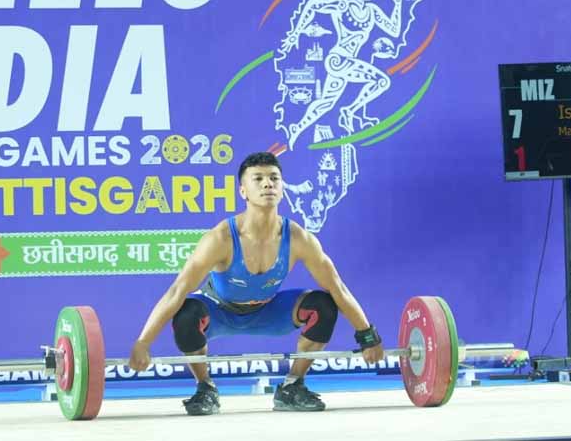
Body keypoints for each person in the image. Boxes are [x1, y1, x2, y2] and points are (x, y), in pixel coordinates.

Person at [128, 151, 385, 415]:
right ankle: (205, 388)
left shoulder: (299, 238)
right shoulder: (220, 239)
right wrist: (143, 342)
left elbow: (337, 288)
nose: (267, 184)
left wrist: (366, 335)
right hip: (219, 313)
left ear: (282, 188)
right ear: (243, 191)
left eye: (274, 178)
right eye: (258, 179)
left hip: (268, 311)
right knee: (186, 312)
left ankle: (292, 386)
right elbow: (176, 291)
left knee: (323, 305)